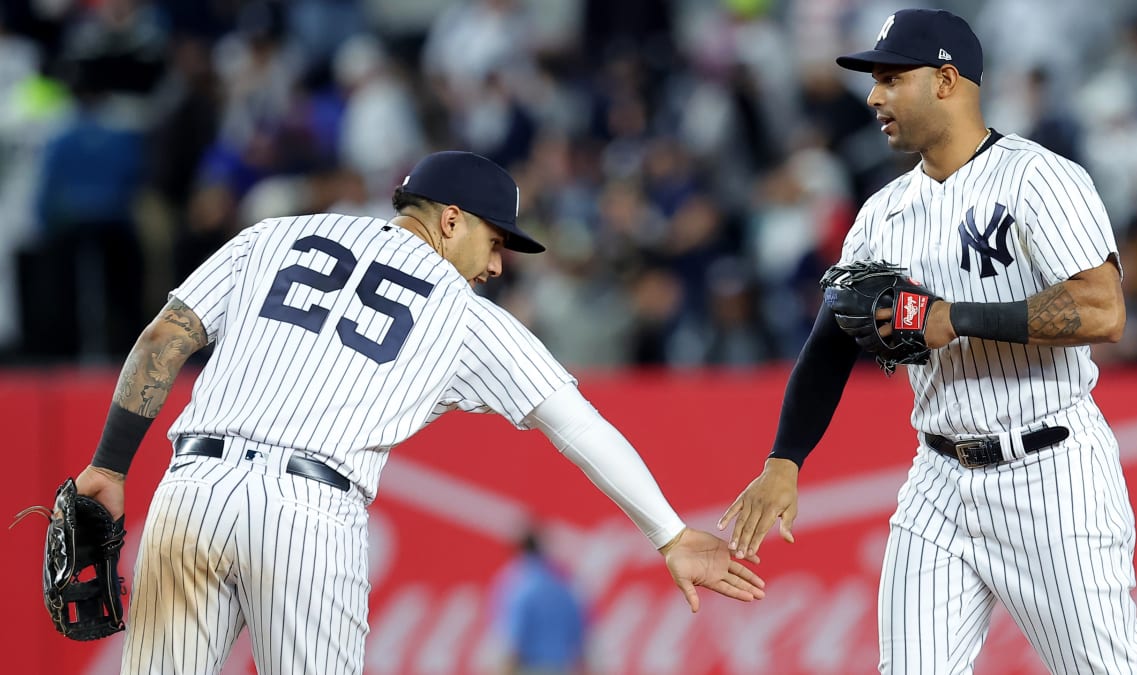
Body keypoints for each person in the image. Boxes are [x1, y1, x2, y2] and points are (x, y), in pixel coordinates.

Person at [70, 150, 765, 674]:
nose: (496, 265)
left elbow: (164, 337)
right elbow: (578, 424)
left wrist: (108, 462)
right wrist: (669, 532)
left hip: (192, 487)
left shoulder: (276, 235)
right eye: (495, 241)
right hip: (308, 513)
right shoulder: (464, 314)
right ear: (451, 218)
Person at [718, 9, 1137, 674]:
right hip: (938, 478)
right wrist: (785, 457)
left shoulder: (1039, 177)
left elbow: (1103, 309)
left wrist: (958, 315)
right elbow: (832, 337)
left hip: (1050, 467)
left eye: (892, 78)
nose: (873, 96)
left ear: (948, 80)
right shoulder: (881, 212)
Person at [490, 528, 587, 675]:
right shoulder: (564, 587)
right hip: (562, 668)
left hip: (530, 668)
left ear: (520, 551)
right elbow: (580, 640)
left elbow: (514, 643)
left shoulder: (519, 587)